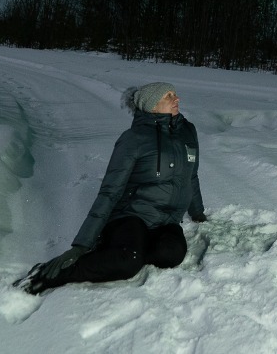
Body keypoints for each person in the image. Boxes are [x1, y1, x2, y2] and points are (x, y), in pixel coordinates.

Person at [20, 81, 207, 294]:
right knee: (128, 262)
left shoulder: (188, 132)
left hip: (167, 221)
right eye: (168, 96)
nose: (176, 99)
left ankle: (126, 248)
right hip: (131, 215)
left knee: (171, 254)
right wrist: (81, 245)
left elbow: (191, 175)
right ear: (152, 105)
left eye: (175, 94)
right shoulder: (134, 139)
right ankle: (48, 276)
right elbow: (110, 191)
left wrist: (197, 212)